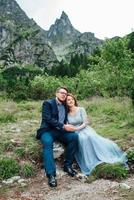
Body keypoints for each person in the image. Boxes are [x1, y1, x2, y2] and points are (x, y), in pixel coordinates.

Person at [66, 93, 128, 175]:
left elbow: (85, 122)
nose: (70, 101)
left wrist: (77, 128)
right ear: (66, 102)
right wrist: (73, 129)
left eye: (72, 99)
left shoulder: (81, 109)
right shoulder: (66, 113)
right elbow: (67, 125)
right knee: (82, 139)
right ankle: (89, 161)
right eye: (68, 100)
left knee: (90, 136)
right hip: (75, 131)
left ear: (74, 100)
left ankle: (101, 156)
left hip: (84, 128)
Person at [36, 87, 78, 187]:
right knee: (47, 143)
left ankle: (67, 166)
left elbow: (73, 111)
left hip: (61, 131)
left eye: (65, 93)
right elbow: (47, 118)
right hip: (48, 130)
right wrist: (63, 126)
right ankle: (51, 175)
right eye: (62, 93)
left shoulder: (65, 105)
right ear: (56, 93)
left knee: (74, 137)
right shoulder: (48, 103)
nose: (64, 94)